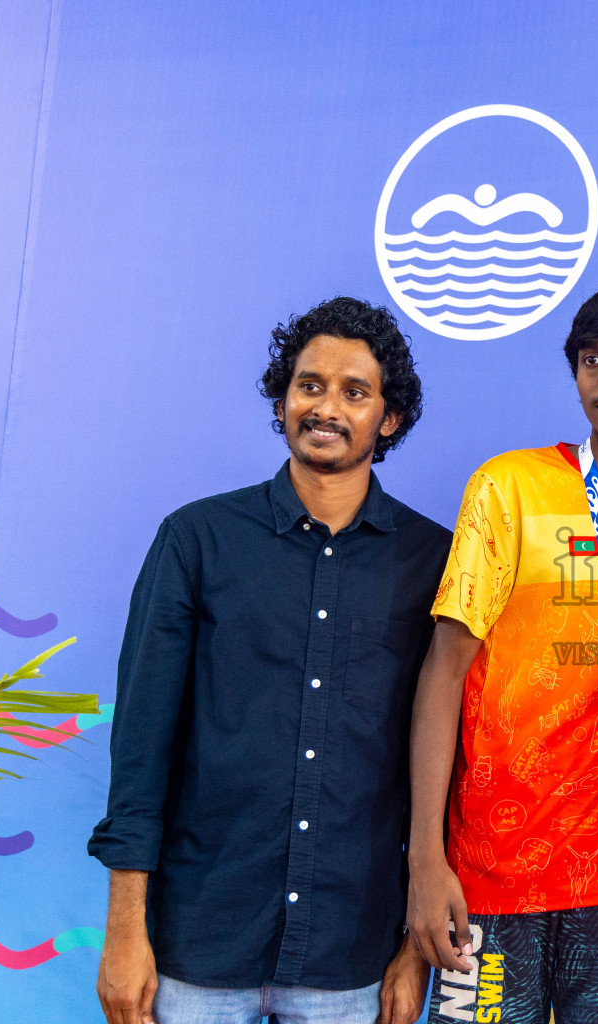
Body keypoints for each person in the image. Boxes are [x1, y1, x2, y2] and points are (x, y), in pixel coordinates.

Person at [89, 298, 450, 1024]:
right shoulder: (197, 540)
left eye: (355, 392)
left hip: (351, 958)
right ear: (283, 399)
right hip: (198, 948)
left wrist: (415, 950)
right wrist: (127, 931)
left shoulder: (433, 561)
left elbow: (449, 767)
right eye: (309, 385)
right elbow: (140, 751)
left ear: (390, 419)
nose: (326, 407)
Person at [405, 281, 598, 1024]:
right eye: (590, 359)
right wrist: (425, 859)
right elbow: (442, 672)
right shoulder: (509, 487)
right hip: (490, 872)